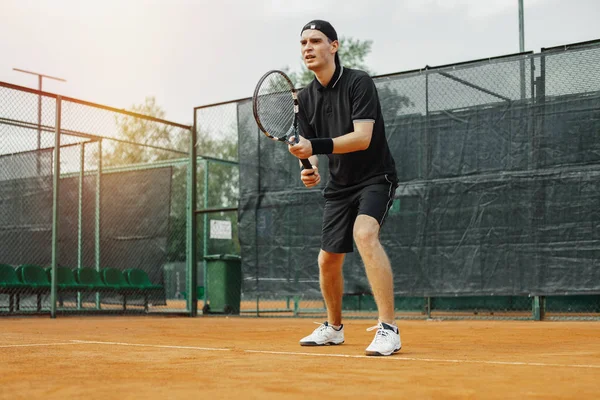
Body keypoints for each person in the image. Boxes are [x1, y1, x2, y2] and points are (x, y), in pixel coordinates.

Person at [288, 20, 401, 356]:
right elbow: (308, 150)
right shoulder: (304, 98)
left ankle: (389, 329)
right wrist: (307, 169)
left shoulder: (358, 82)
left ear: (334, 46)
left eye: (316, 41)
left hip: (375, 176)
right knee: (327, 261)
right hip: (339, 185)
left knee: (365, 234)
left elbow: (362, 138)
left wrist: (314, 148)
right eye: (303, 42)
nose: (308, 47)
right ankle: (334, 328)